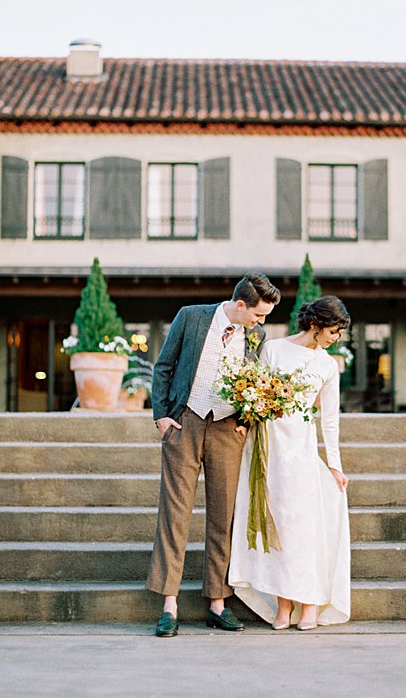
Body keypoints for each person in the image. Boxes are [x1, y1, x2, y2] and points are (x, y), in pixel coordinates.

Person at [147, 272, 281, 637]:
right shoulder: (191, 317)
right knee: (175, 514)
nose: (262, 321)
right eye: (259, 314)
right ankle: (169, 605)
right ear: (240, 305)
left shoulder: (255, 335)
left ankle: (217, 603)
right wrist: (161, 415)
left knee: (224, 515)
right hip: (185, 422)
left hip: (226, 430)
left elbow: (254, 382)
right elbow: (164, 367)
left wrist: (246, 421)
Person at [228, 295, 351, 630]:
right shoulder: (274, 349)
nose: (335, 338)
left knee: (304, 528)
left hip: (301, 449)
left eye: (339, 334)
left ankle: (310, 603)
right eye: (334, 331)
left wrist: (335, 464)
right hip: (268, 446)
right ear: (316, 324)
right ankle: (283, 605)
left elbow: (330, 420)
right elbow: (255, 391)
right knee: (278, 526)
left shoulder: (327, 365)